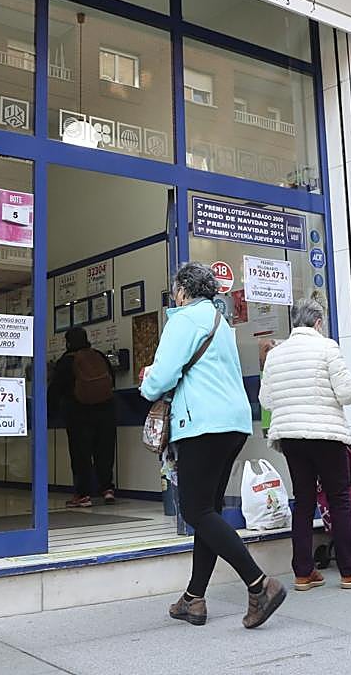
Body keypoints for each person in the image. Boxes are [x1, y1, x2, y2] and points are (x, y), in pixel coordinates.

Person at [140, 262, 286, 629]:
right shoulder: (222, 323)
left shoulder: (184, 320)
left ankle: (259, 584)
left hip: (202, 425)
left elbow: (162, 376)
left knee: (195, 511)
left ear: (182, 292)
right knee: (208, 511)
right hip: (234, 423)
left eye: (175, 291)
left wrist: (146, 384)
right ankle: (194, 598)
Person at [259, 297, 351, 591]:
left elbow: (266, 401)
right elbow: (348, 393)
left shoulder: (276, 355)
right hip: (325, 436)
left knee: (303, 501)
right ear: (318, 322)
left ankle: (303, 572)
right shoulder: (327, 348)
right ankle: (350, 570)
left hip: (290, 438)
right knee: (339, 498)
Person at [49, 327, 117, 508]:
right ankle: (107, 489)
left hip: (78, 413)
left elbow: (55, 389)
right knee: (104, 451)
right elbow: (112, 381)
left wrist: (49, 413)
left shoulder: (66, 361)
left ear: (68, 342)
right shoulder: (99, 356)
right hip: (106, 411)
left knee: (81, 455)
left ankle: (83, 495)